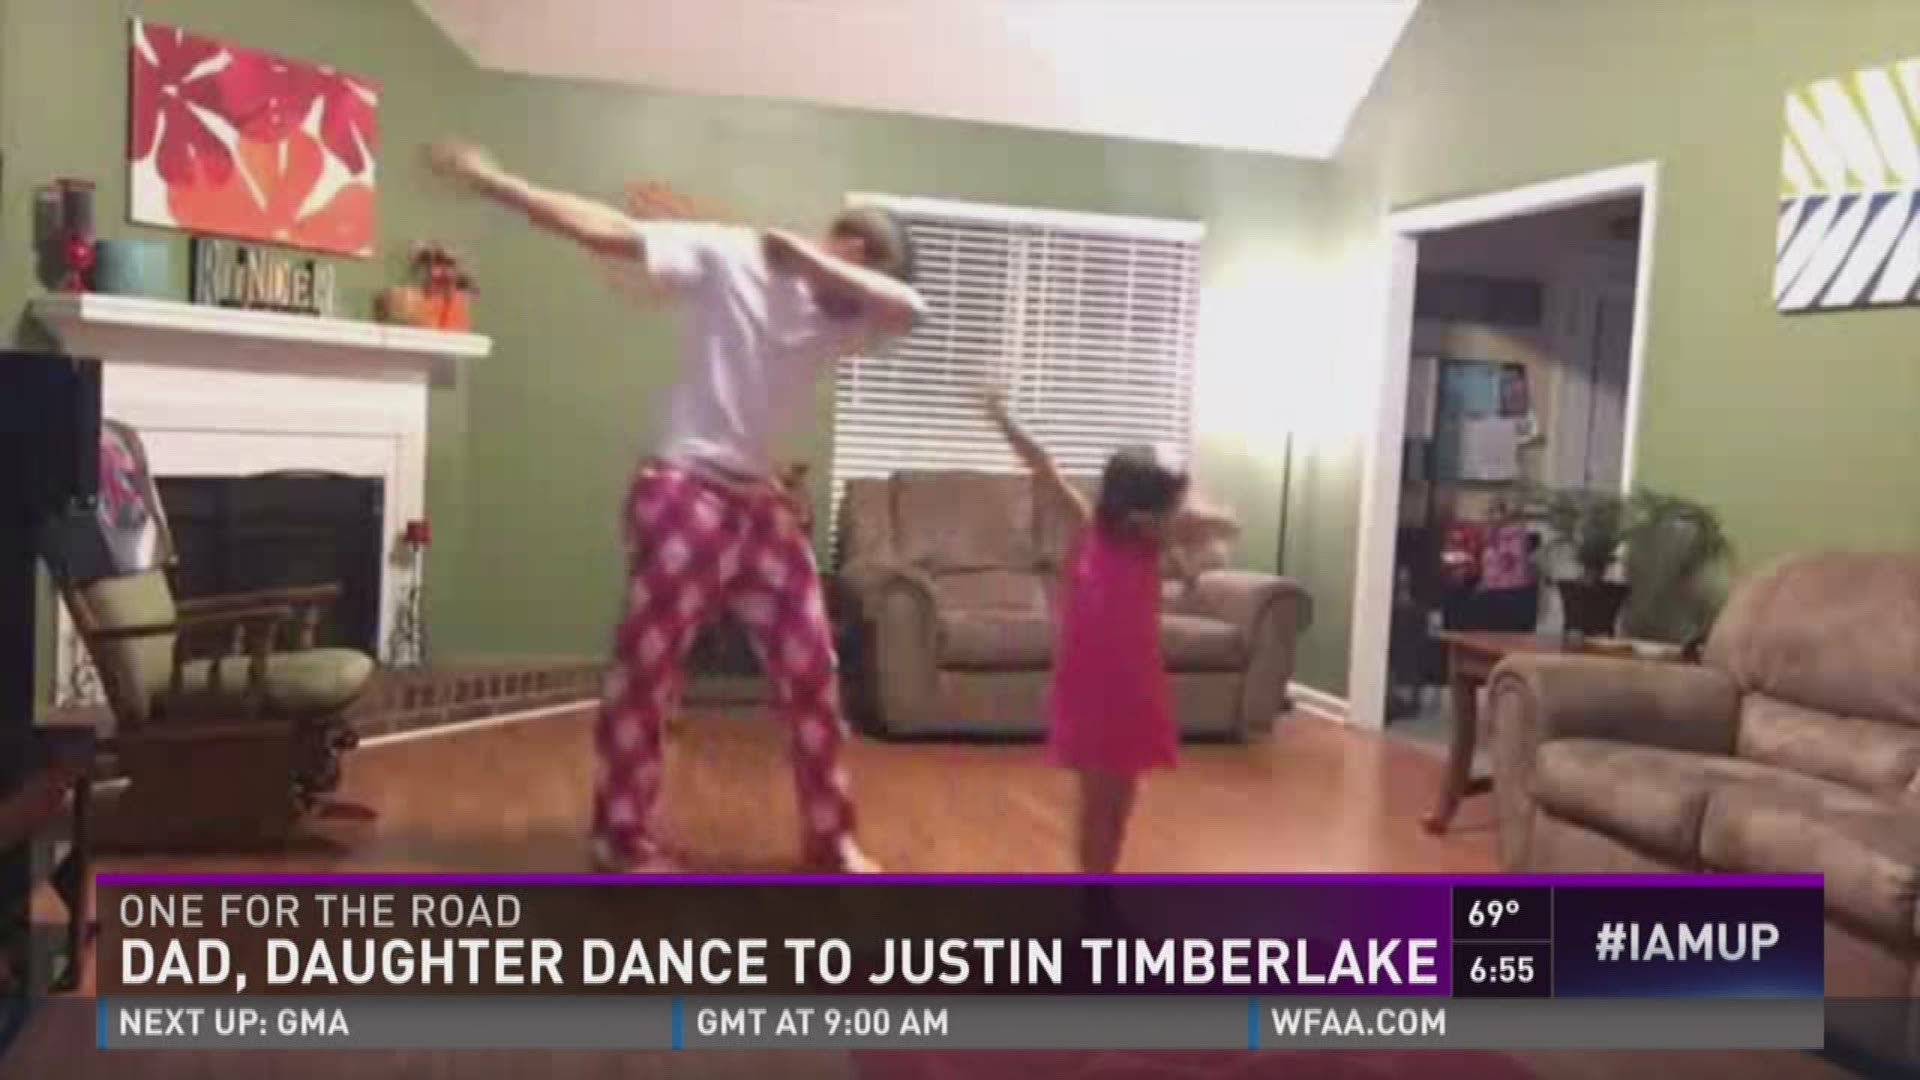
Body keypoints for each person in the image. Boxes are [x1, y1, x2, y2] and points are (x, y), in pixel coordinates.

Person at [425, 137, 927, 874]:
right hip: (683, 488)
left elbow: (908, 310)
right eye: (857, 273)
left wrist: (816, 265)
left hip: (760, 506)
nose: (853, 305)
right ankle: (619, 840)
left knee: (814, 671)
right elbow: (608, 231)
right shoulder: (728, 256)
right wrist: (500, 185)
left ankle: (831, 838)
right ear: (850, 245)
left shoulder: (845, 309)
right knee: (647, 670)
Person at [981, 391, 1238, 873]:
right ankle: (1093, 896)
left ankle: (1101, 888)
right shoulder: (1087, 529)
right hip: (1090, 692)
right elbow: (1043, 466)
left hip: (1135, 690)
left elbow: (1226, 526)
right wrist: (1002, 418)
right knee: (1096, 803)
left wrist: (1179, 509)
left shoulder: (1156, 545)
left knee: (1121, 804)